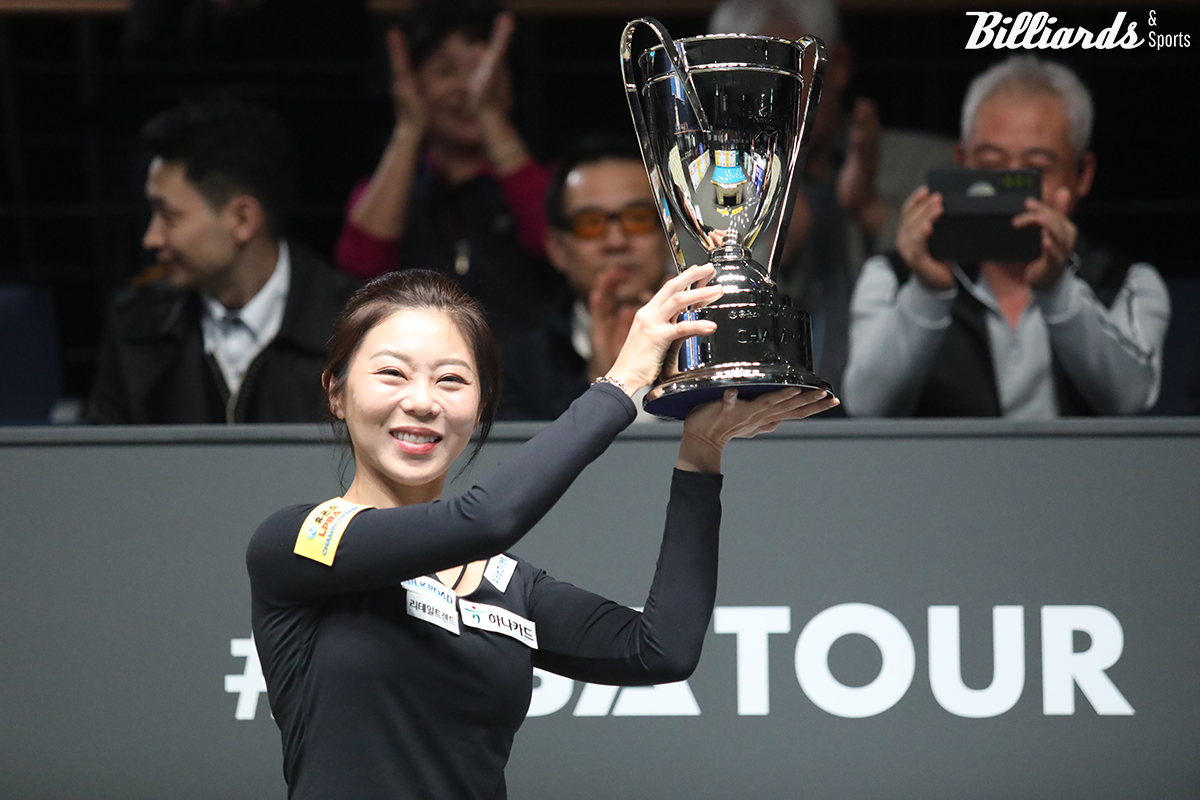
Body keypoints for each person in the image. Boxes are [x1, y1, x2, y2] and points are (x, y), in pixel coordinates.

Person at [246, 267, 838, 799]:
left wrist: (702, 450)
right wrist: (622, 382)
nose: (422, 402)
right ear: (337, 393)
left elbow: (661, 649)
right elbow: (486, 520)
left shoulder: (509, 585)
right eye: (391, 374)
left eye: (451, 380)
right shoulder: (301, 541)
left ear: (481, 405)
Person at [842, 56, 1171, 417]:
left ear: (1082, 175)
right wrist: (928, 292)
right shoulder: (893, 277)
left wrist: (1057, 290)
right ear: (961, 162)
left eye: (1036, 170)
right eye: (991, 166)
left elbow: (1131, 400)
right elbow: (866, 407)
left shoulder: (1127, 282)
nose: (1010, 195)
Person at [709, 0, 955, 392]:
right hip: (763, 415)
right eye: (742, 79)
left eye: (779, 72)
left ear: (837, 66)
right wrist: (775, 245)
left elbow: (962, 296)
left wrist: (870, 211)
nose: (758, 98)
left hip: (908, 415)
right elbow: (705, 323)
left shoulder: (926, 166)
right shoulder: (706, 183)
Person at [85, 99, 359, 424]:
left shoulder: (353, 330)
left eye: (169, 216)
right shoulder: (137, 325)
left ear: (242, 220)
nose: (152, 238)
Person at [334, 0, 562, 343]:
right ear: (414, 85)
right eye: (446, 71)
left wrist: (489, 115)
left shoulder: (547, 183)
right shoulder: (390, 189)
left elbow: (557, 241)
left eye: (484, 70)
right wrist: (409, 127)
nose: (470, 88)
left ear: (512, 87)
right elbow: (357, 272)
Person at [499, 138, 671, 420]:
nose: (616, 241)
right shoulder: (515, 368)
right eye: (590, 224)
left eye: (638, 218)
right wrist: (600, 389)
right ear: (557, 249)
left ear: (668, 238)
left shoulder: (714, 349)